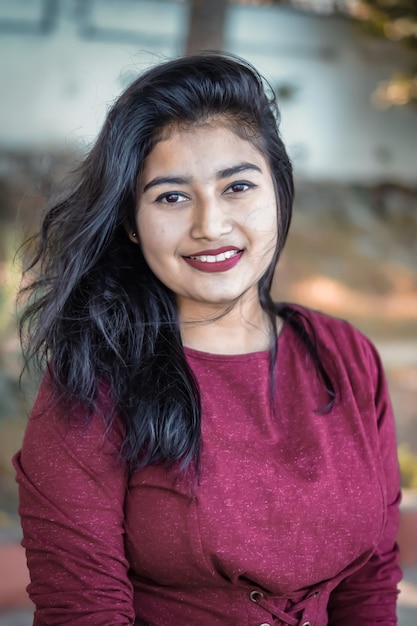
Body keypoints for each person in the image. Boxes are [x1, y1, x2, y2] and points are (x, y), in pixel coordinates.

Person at [13, 52, 402, 626]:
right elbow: (83, 610)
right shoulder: (97, 376)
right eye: (172, 196)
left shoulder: (346, 356)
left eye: (238, 186)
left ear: (279, 190)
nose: (210, 225)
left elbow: (369, 586)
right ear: (130, 222)